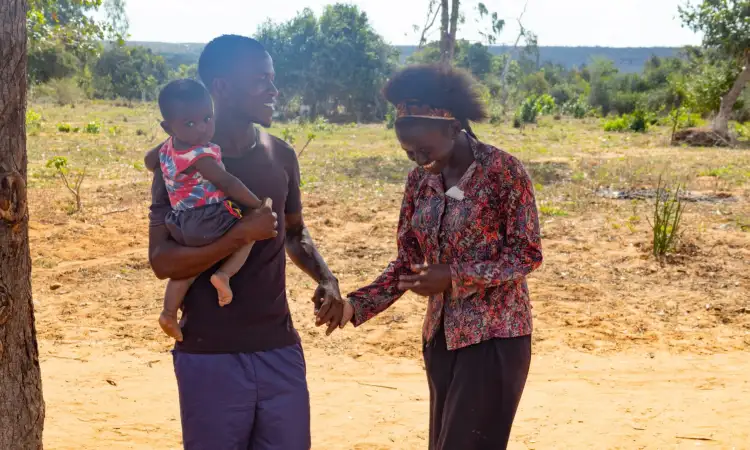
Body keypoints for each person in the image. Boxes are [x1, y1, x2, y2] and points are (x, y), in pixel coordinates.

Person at [147, 35, 345, 449]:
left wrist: (327, 279)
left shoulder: (282, 155)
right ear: (221, 88)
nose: (274, 90)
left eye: (273, 79)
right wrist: (238, 236)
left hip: (280, 348)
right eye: (261, 80)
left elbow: (292, 231)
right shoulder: (179, 166)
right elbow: (163, 262)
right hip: (208, 353)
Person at [333, 65, 543, 450]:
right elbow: (407, 262)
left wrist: (455, 276)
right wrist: (353, 306)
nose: (417, 160)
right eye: (408, 152)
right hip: (440, 337)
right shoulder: (420, 181)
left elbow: (527, 254)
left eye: (424, 150)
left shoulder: (503, 171)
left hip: (494, 337)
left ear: (451, 127)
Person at [145, 78, 265, 342]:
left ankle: (168, 312)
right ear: (168, 126)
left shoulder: (168, 148)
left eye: (207, 119)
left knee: (188, 269)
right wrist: (256, 205)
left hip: (181, 222)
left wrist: (169, 143)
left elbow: (148, 160)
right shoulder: (200, 156)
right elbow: (227, 181)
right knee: (250, 234)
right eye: (189, 123)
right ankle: (224, 275)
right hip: (209, 216)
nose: (201, 129)